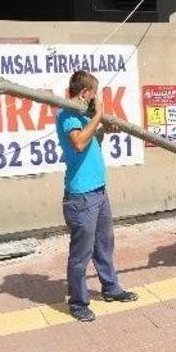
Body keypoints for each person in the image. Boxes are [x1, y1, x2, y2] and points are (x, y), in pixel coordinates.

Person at [56, 71, 138, 322]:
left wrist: (103, 129)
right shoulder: (68, 115)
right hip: (81, 197)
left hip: (99, 191)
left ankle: (111, 288)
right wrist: (99, 116)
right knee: (81, 253)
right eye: (95, 93)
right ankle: (78, 303)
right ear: (85, 93)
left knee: (104, 245)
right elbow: (79, 143)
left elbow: (91, 142)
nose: (96, 98)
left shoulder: (83, 116)